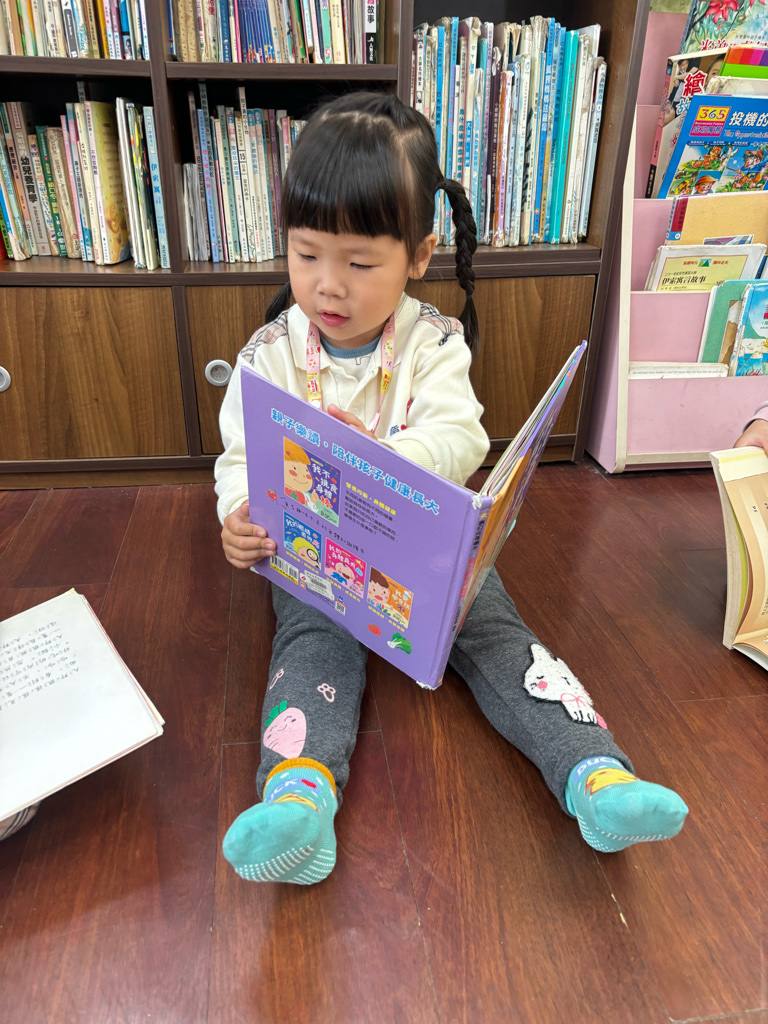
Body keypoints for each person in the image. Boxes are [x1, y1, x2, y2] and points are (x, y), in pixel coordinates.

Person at [214, 91, 688, 885]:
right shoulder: (269, 354)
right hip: (315, 556)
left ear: (419, 255)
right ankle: (298, 799)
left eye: (359, 263)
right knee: (310, 642)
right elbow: (241, 454)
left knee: (499, 635)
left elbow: (462, 437)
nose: (327, 286)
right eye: (306, 254)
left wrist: (388, 458)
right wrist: (237, 511)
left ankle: (597, 776)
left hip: (427, 555)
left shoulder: (434, 343)